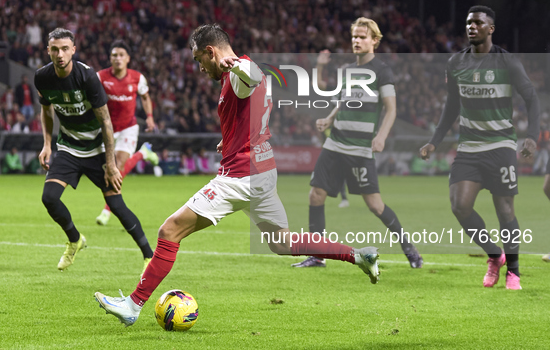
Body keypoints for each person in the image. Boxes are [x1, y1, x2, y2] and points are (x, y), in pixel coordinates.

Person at [95, 24, 380, 327]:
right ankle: (358, 255)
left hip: (241, 176)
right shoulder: (234, 78)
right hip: (263, 171)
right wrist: (229, 137)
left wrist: (238, 65)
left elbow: (253, 76)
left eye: (199, 60)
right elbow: (251, 107)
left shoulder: (237, 74)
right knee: (282, 243)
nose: (199, 67)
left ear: (211, 51)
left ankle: (133, 304)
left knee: (169, 231)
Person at [420, 6, 540, 290]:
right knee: (459, 206)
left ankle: (513, 271)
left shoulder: (507, 62)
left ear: (491, 29)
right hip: (469, 148)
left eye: (478, 23)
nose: (471, 27)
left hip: (500, 146)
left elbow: (532, 98)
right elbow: (451, 105)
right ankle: (494, 255)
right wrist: (434, 140)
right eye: (468, 23)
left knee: (505, 211)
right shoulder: (456, 62)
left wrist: (532, 135)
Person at [292, 18, 422, 269]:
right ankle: (317, 255)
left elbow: (391, 109)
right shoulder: (348, 70)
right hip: (335, 143)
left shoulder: (382, 71)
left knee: (375, 205)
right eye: (354, 36)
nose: (357, 41)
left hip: (361, 149)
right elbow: (341, 100)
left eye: (362, 37)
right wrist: (328, 118)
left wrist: (382, 135)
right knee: (315, 195)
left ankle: (409, 249)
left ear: (374, 40)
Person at [35, 28, 153, 271]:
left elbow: (106, 122)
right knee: (49, 198)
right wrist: (47, 144)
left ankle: (149, 257)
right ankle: (75, 240)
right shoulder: (42, 77)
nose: (60, 54)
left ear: (73, 50)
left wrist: (110, 164)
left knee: (118, 206)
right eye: (55, 49)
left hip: (96, 149)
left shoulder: (87, 77)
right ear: (48, 50)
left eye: (65, 49)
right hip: (68, 147)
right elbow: (46, 111)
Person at [95, 40, 160, 226]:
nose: (118, 58)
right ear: (110, 58)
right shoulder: (101, 77)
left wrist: (149, 117)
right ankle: (143, 153)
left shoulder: (137, 78)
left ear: (128, 59)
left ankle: (107, 211)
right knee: (107, 169)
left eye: (121, 55)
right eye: (114, 55)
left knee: (117, 165)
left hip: (128, 128)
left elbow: (145, 97)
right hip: (106, 127)